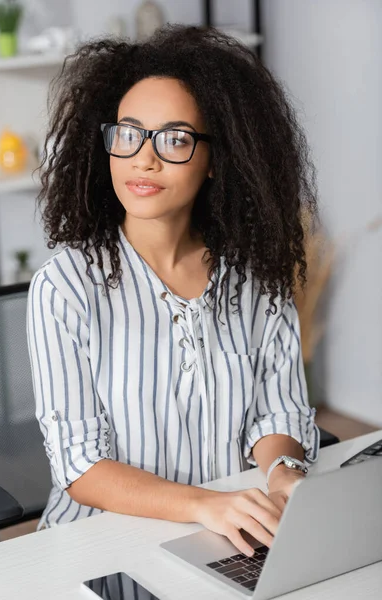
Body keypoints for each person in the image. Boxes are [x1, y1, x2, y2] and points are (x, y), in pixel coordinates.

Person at [27, 24, 320, 557]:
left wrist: (285, 476)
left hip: (227, 532)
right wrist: (204, 504)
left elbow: (275, 414)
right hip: (100, 543)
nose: (145, 158)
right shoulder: (66, 286)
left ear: (216, 160)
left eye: (176, 138)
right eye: (129, 133)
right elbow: (80, 466)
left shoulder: (254, 280)